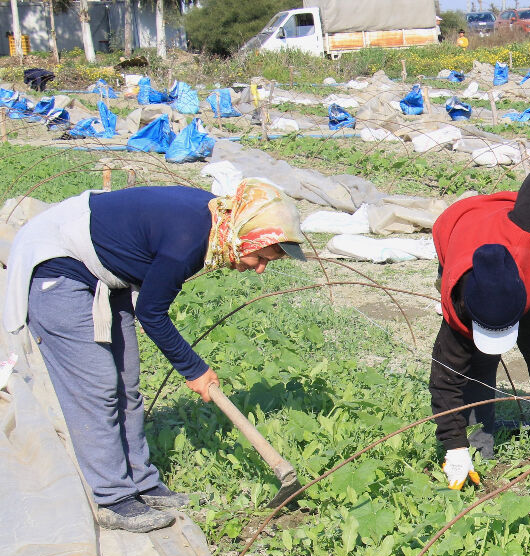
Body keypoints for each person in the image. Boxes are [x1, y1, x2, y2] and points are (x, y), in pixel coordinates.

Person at [3, 180, 307, 533]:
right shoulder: (188, 240)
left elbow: (149, 298)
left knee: (126, 385)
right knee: (96, 388)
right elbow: (151, 314)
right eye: (261, 257)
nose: (260, 268)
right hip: (57, 265)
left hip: (106, 269)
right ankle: (114, 499)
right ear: (244, 235)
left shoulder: (219, 221)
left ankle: (143, 484)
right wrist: (194, 369)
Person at [429, 163, 530, 490]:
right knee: (478, 365)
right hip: (461, 224)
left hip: (528, 253)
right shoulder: (457, 308)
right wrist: (454, 447)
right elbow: (445, 382)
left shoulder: (528, 230)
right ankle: (477, 447)